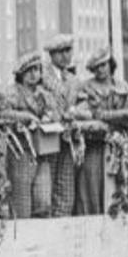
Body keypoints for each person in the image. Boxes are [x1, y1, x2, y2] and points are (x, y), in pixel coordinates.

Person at [74, 48, 128, 215]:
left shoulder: (123, 86)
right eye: (96, 67)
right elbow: (82, 114)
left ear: (110, 64)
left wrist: (109, 116)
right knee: (91, 188)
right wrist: (116, 118)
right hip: (94, 146)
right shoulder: (86, 87)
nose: (101, 70)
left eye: (103, 65)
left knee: (117, 189)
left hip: (119, 148)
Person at [0, 53, 60, 219]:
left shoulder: (45, 94)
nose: (34, 74)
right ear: (21, 74)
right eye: (29, 71)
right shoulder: (13, 92)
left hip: (42, 152)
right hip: (21, 152)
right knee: (22, 203)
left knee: (43, 201)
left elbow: (56, 113)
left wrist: (49, 117)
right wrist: (26, 116)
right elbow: (2, 113)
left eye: (37, 69)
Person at [42, 34, 83, 217]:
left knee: (66, 186)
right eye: (61, 52)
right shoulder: (41, 75)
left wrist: (76, 111)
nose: (66, 56)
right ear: (51, 54)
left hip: (68, 138)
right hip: (48, 136)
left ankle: (62, 221)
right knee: (47, 185)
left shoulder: (73, 79)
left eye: (68, 51)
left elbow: (82, 102)